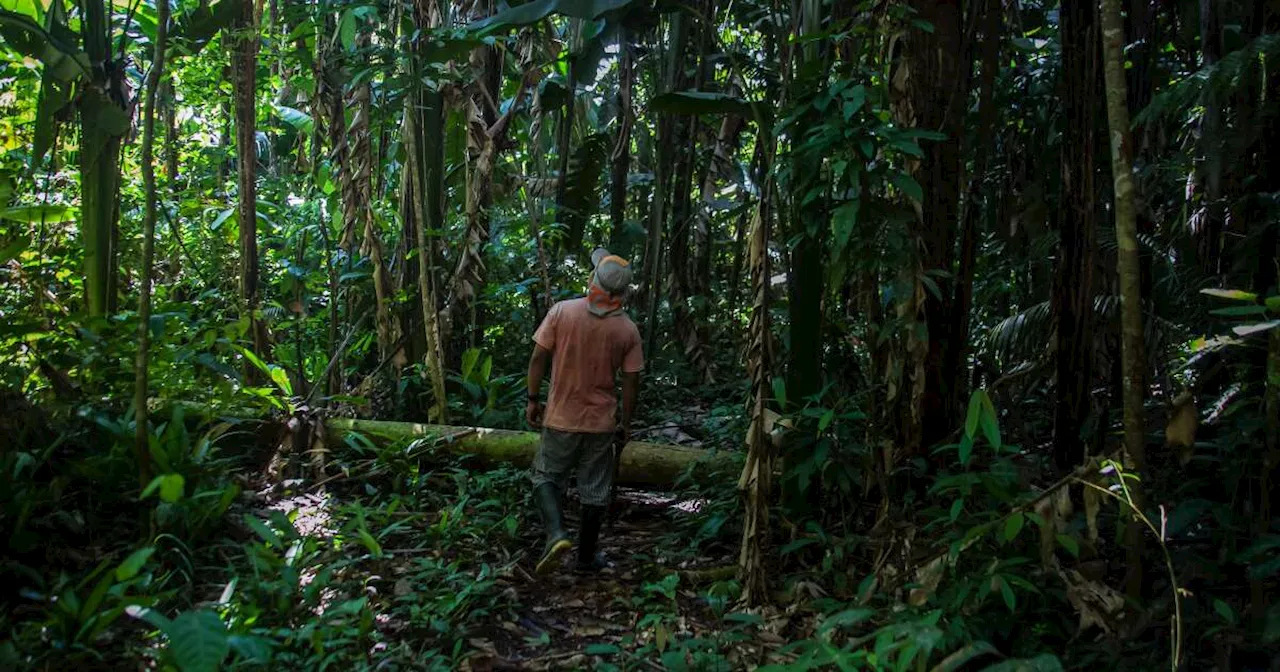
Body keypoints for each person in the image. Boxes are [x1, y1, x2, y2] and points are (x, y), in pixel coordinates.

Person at [525, 248, 643, 574]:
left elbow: (538, 358)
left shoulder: (562, 312)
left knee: (545, 476)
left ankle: (557, 533)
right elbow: (632, 382)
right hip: (601, 424)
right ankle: (586, 558)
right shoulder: (627, 330)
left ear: (594, 280)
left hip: (561, 418)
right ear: (621, 292)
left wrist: (533, 398)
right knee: (595, 492)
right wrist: (626, 423)